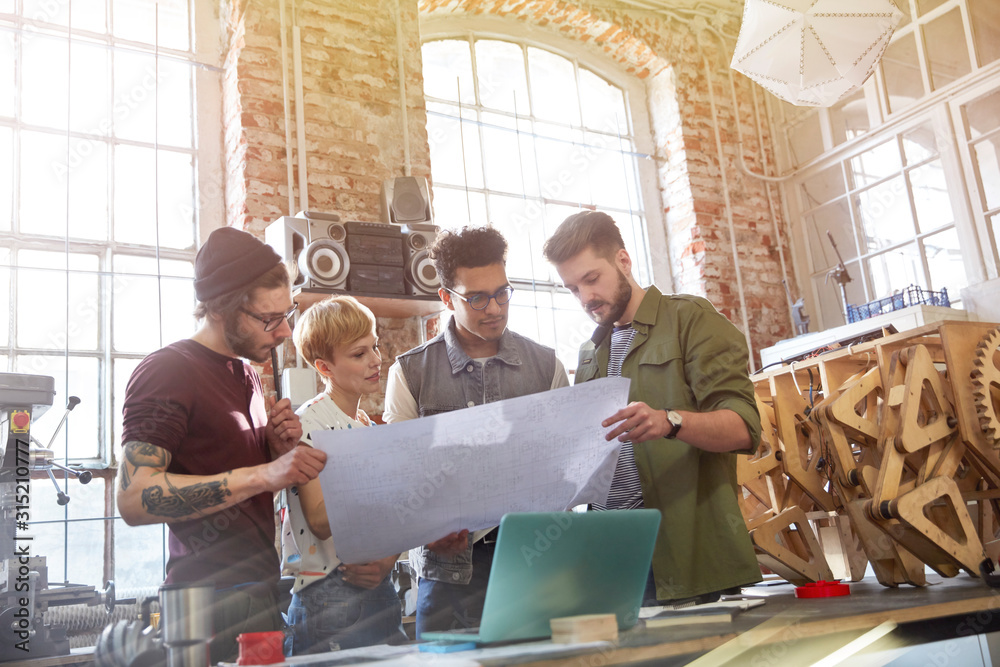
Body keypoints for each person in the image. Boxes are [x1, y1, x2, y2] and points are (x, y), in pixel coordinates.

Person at [117, 226, 326, 663]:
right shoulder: (167, 370)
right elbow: (135, 499)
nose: (285, 331)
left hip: (260, 590)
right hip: (205, 601)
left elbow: (231, 471)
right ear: (220, 309)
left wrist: (271, 448)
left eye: (287, 314)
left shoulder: (245, 373)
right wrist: (265, 473)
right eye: (269, 319)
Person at [542, 211, 762, 604]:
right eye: (573, 288)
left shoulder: (690, 320)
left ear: (623, 261)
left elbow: (744, 427)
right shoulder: (590, 353)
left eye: (592, 279)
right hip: (609, 561)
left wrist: (669, 422)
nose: (585, 297)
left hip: (683, 560)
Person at [382, 226, 569, 636]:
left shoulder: (546, 367)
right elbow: (399, 475)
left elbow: (564, 466)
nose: (495, 308)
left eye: (503, 292)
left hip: (533, 564)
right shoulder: (411, 373)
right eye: (477, 298)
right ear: (446, 298)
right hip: (448, 576)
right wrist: (426, 526)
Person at [281, 295, 406, 653]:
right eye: (359, 354)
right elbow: (319, 520)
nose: (376, 360)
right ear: (324, 368)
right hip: (329, 593)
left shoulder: (364, 423)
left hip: (378, 586)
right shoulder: (309, 423)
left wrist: (387, 559)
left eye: (375, 346)